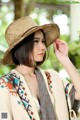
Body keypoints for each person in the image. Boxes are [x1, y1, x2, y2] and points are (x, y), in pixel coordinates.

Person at [0, 16, 80, 120]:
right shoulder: (5, 85)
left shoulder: (52, 77)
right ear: (22, 46)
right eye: (36, 41)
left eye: (43, 41)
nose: (43, 47)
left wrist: (65, 59)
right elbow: (3, 116)